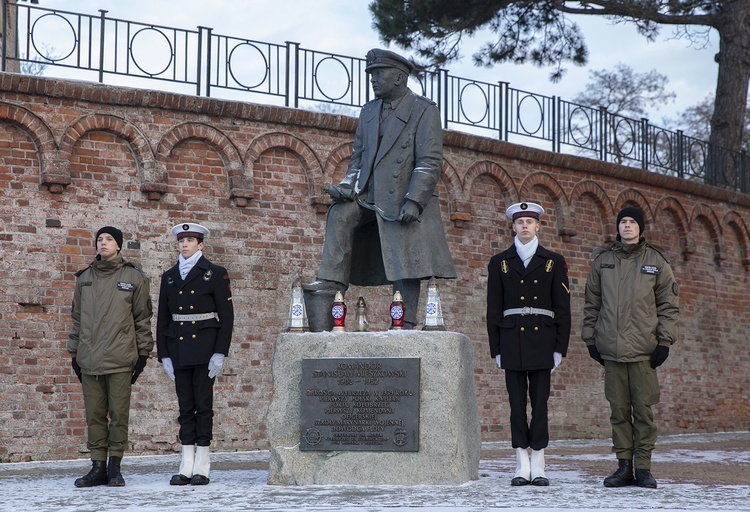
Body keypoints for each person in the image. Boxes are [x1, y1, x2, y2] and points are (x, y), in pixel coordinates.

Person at [304, 48, 456, 328]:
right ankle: (329, 287)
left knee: (404, 248)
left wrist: (414, 200)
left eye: (378, 74)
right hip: (368, 196)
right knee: (340, 213)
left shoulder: (424, 110)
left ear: (399, 78)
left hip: (402, 195)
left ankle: (405, 322)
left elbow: (428, 161)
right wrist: (347, 186)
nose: (373, 80)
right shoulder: (369, 110)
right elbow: (358, 158)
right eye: (371, 74)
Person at [582, 206, 679, 489]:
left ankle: (644, 468)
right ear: (618, 227)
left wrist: (664, 340)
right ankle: (624, 467)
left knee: (643, 411)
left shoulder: (656, 261)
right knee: (619, 411)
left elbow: (669, 305)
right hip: (611, 350)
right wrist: (591, 338)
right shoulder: (603, 261)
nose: (627, 226)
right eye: (623, 222)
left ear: (641, 228)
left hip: (644, 351)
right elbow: (592, 303)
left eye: (632, 222)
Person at [486, 202, 571, 487]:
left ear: (538, 227)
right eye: (520, 221)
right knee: (516, 404)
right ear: (513, 226)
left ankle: (540, 463)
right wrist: (495, 349)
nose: (524, 226)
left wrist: (560, 347)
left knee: (540, 405)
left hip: (542, 341)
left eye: (529, 222)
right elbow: (493, 309)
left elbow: (563, 309)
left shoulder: (553, 261)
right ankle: (522, 463)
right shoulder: (499, 262)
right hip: (511, 340)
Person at [68, 226, 153, 488]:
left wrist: (143, 354)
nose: (103, 243)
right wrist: (74, 353)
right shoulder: (84, 278)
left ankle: (115, 467)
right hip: (89, 360)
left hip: (121, 359)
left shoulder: (134, 277)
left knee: (118, 415)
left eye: (109, 239)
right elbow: (77, 319)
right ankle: (97, 467)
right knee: (94, 415)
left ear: (119, 245)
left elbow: (142, 318)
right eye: (99, 239)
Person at [156, 222, 234, 486]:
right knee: (185, 407)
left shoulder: (215, 273)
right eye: (181, 240)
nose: (185, 244)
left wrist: (220, 352)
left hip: (204, 346)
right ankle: (185, 463)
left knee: (203, 406)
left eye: (190, 240)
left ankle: (203, 463)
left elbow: (227, 317)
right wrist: (163, 354)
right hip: (178, 347)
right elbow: (163, 318)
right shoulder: (168, 276)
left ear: (201, 244)